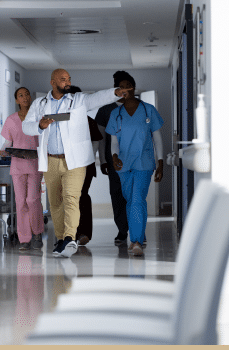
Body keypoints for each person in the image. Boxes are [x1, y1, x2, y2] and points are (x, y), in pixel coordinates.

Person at [22, 68, 131, 258]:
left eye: (69, 79)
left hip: (75, 161)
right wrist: (39, 125)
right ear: (53, 82)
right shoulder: (40, 103)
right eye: (63, 79)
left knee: (72, 198)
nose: (67, 82)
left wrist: (115, 93)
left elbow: (97, 98)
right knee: (56, 202)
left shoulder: (78, 100)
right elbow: (26, 126)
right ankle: (60, 239)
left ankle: (69, 238)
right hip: (50, 160)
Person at [105, 71, 164, 256]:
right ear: (117, 90)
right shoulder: (115, 114)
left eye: (128, 85)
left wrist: (160, 162)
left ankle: (136, 240)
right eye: (121, 87)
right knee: (131, 201)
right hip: (123, 164)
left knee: (138, 199)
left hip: (144, 162)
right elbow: (114, 142)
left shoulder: (149, 110)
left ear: (134, 87)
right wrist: (114, 157)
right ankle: (138, 234)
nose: (125, 90)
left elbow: (157, 139)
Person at [0, 87, 44, 251]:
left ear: (30, 97)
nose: (24, 97)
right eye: (20, 95)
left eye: (27, 94)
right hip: (17, 165)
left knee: (32, 199)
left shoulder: (38, 118)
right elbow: (7, 143)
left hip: (35, 164)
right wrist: (4, 150)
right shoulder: (11, 120)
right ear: (17, 100)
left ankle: (37, 232)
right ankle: (24, 238)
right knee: (20, 202)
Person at [67, 85, 103, 246]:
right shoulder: (59, 120)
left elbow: (96, 141)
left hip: (84, 166)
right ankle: (68, 233)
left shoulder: (89, 121)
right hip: (64, 165)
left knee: (81, 196)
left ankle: (83, 233)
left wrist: (87, 158)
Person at [95, 81, 128, 246]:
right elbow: (100, 138)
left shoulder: (138, 107)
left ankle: (138, 230)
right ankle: (122, 230)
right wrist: (102, 160)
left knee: (135, 195)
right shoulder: (105, 110)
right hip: (113, 160)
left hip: (135, 160)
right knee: (117, 194)